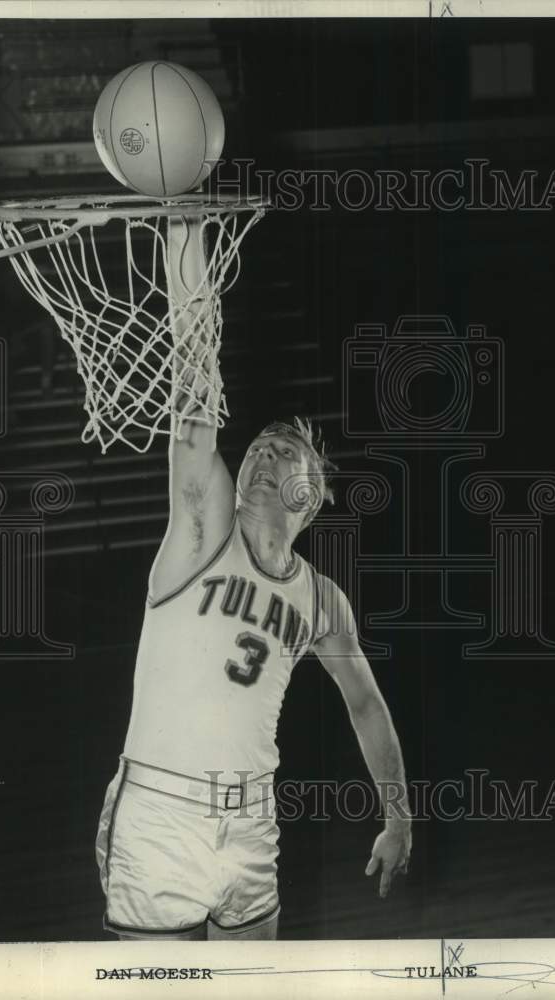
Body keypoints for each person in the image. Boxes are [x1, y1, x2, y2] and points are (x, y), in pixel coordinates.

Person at [95, 219, 411, 942]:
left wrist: (398, 815)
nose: (264, 453)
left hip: (251, 822)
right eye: (259, 448)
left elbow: (365, 703)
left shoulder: (323, 601)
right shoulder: (201, 534)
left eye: (285, 454)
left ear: (311, 496)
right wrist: (184, 238)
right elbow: (194, 393)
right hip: (160, 816)